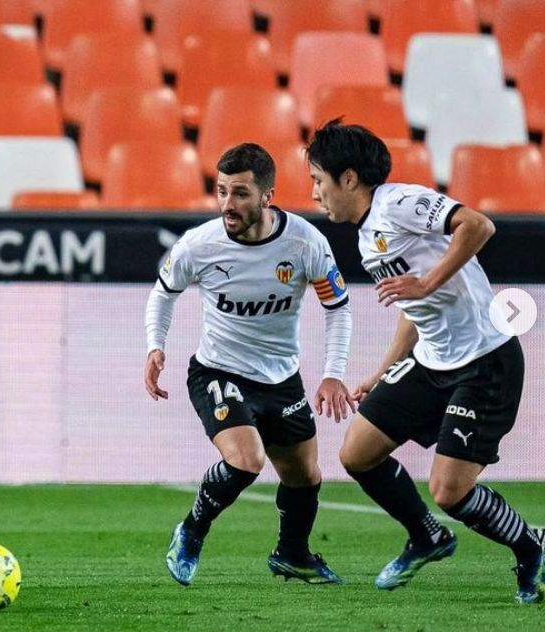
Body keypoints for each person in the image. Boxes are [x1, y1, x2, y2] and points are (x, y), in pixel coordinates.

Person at [306, 119, 544, 603]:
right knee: (357, 452)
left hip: (485, 360)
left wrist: (427, 282)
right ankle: (426, 536)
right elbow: (414, 310)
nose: (314, 193)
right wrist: (380, 372)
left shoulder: (399, 202)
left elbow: (478, 225)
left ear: (348, 178)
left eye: (318, 180)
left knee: (449, 492)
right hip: (431, 362)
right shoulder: (366, 236)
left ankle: (531, 545)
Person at [145, 143, 355, 586]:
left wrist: (333, 373)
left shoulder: (304, 242)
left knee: (304, 476)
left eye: (240, 193)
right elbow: (164, 292)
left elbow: (337, 307)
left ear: (267, 196)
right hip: (218, 371)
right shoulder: (200, 244)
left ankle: (292, 555)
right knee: (246, 460)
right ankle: (191, 531)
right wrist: (154, 346)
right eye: (221, 191)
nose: (227, 204)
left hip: (281, 378)